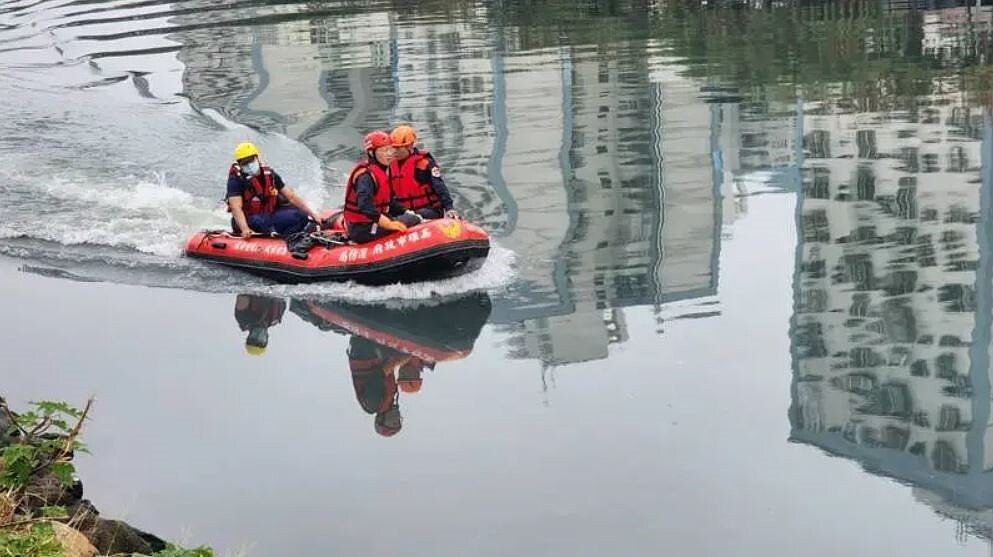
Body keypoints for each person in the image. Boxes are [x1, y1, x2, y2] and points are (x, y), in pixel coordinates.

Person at [226, 142, 323, 238]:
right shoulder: (236, 180)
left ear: (257, 158)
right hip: (249, 218)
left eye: (250, 160)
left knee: (300, 216)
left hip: (268, 214)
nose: (249, 165)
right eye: (244, 163)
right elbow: (236, 207)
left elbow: (291, 196)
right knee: (261, 222)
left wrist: (312, 214)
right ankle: (276, 237)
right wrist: (244, 228)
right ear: (239, 164)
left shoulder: (270, 175)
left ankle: (286, 238)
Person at [342, 131, 420, 244]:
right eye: (384, 150)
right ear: (372, 153)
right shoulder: (366, 176)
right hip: (362, 228)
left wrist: (406, 211)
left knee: (412, 217)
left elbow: (389, 202)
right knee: (412, 220)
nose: (389, 154)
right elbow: (365, 205)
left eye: (391, 150)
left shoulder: (381, 172)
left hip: (373, 221)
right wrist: (388, 224)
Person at [389, 125, 459, 220]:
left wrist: (449, 208)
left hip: (430, 210)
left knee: (410, 217)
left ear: (409, 146)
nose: (394, 152)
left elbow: (440, 187)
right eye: (393, 148)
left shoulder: (425, 164)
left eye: (398, 148)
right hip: (405, 212)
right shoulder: (390, 167)